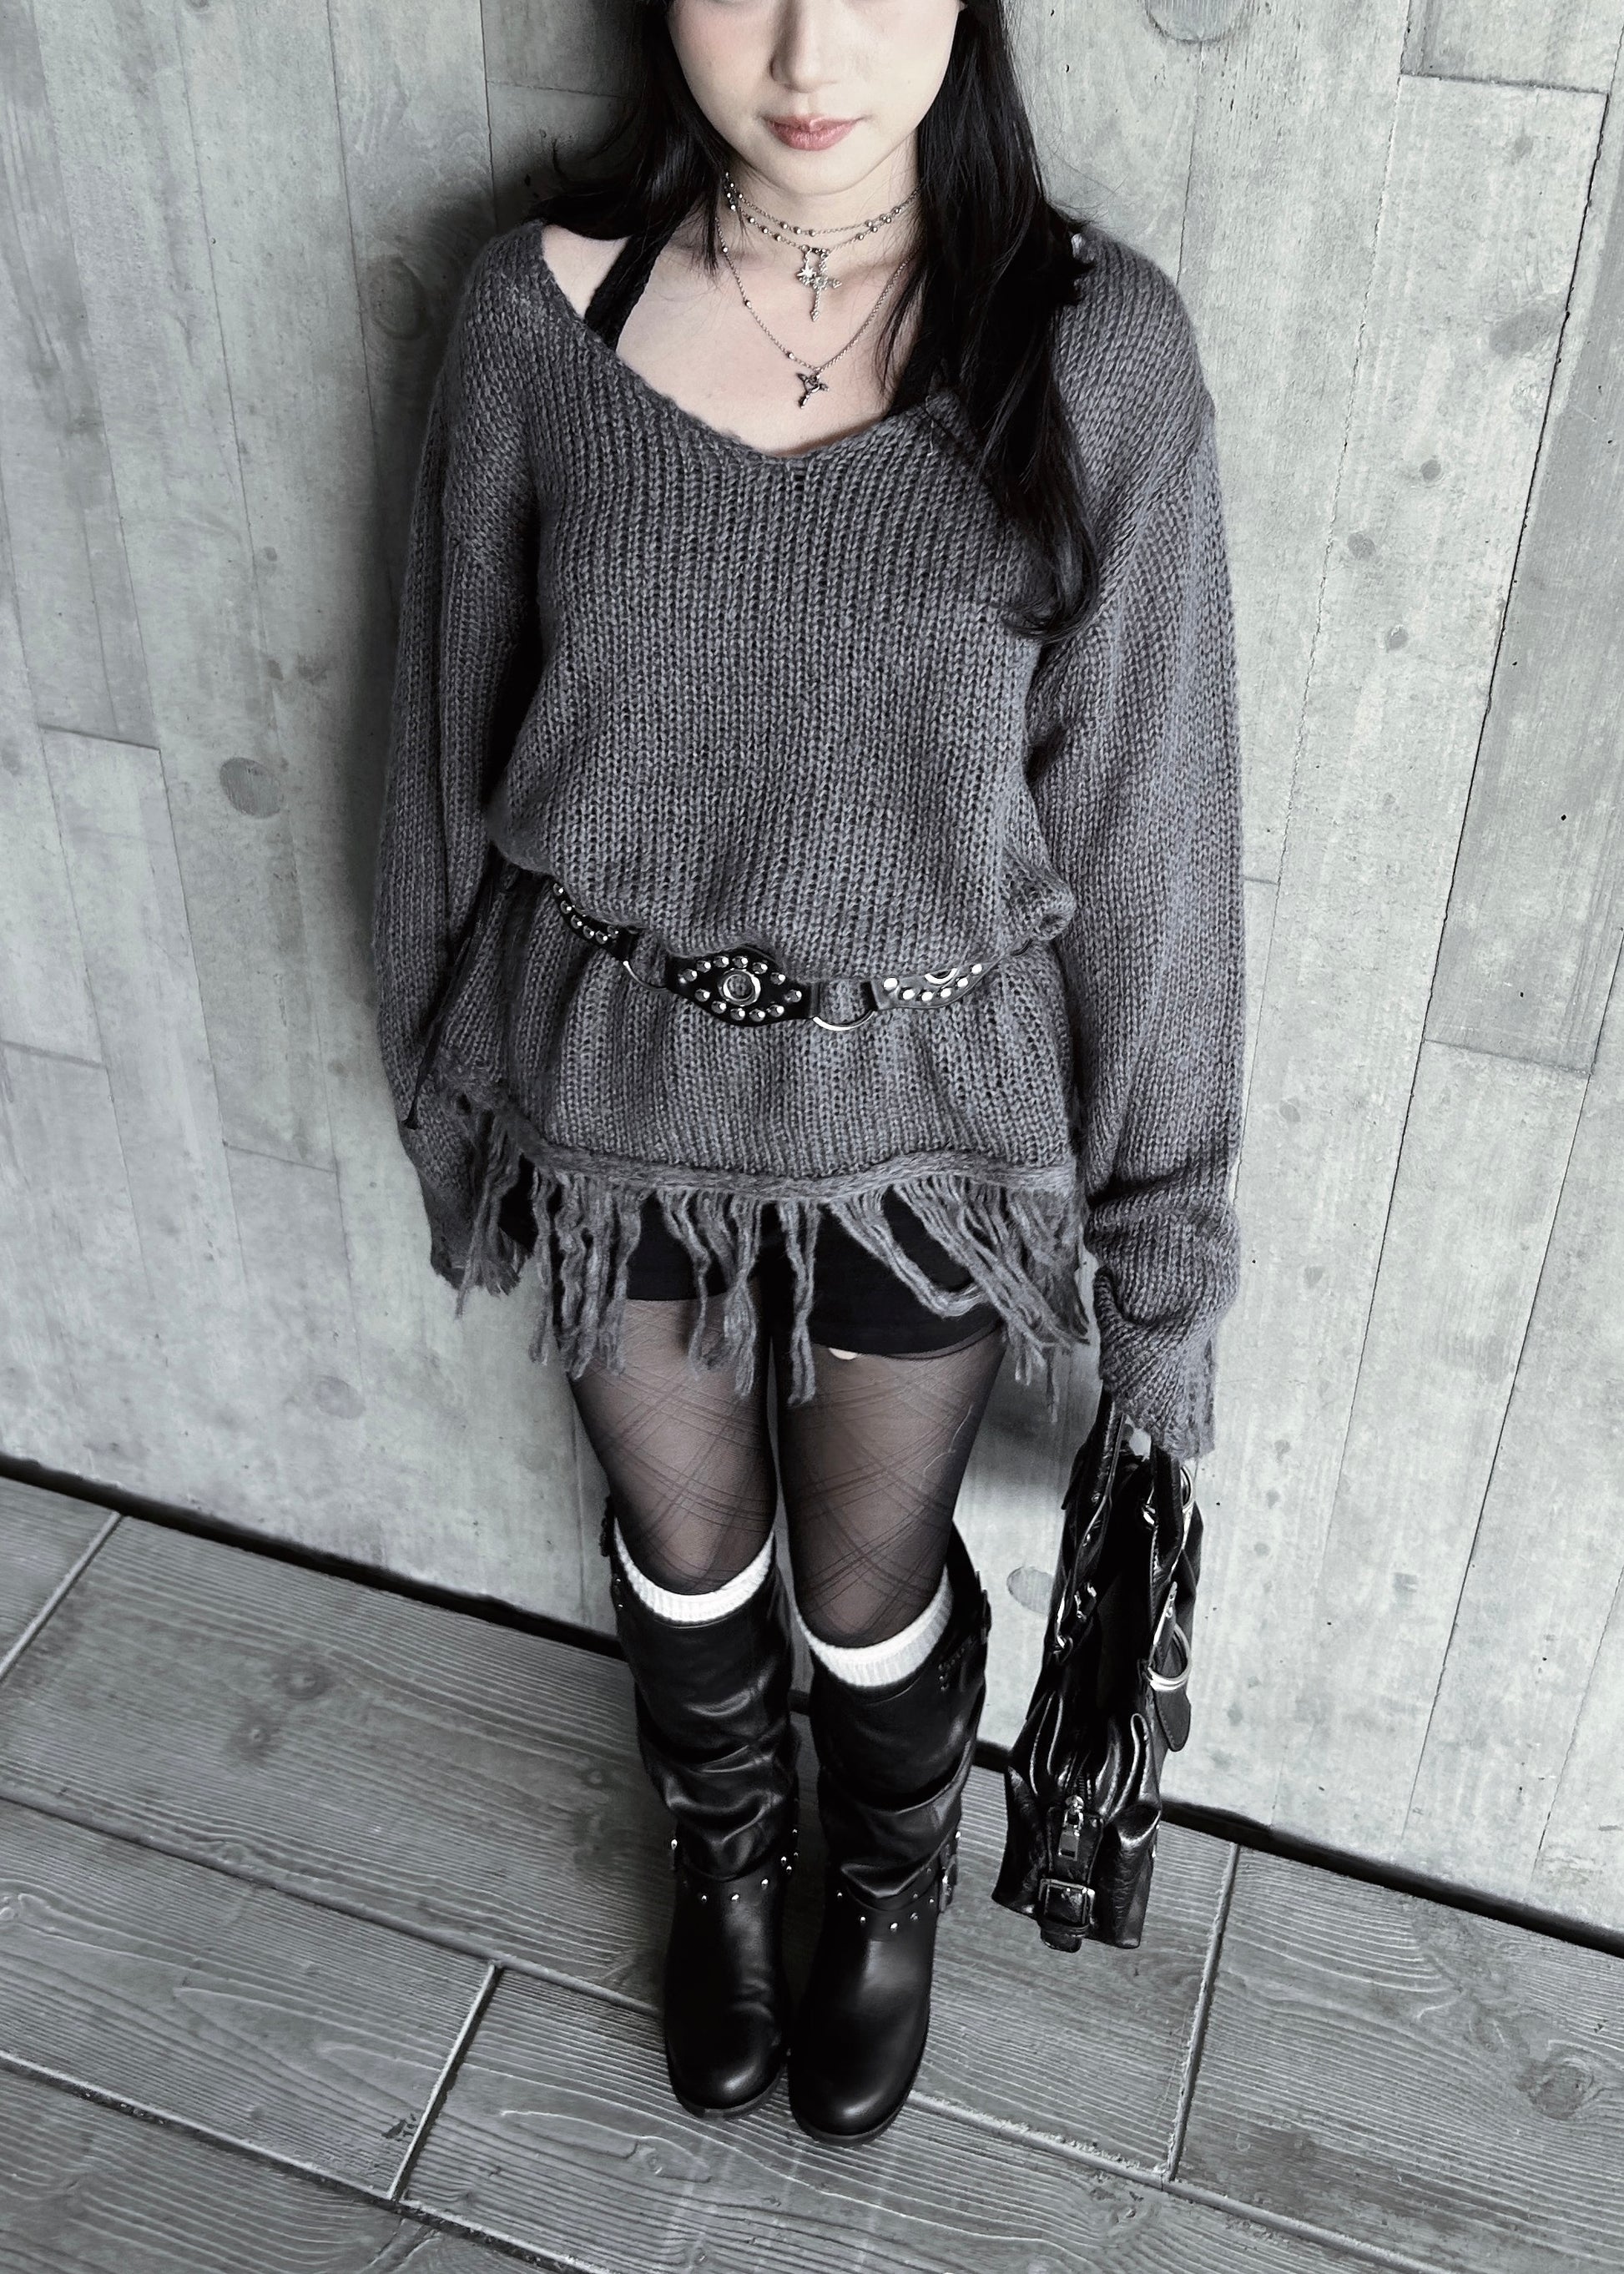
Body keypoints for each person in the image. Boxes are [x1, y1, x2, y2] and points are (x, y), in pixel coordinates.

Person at [372, 0, 1244, 2150]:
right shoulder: (538, 318)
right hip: (606, 1093)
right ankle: (729, 1850)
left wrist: (1163, 1305)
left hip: (929, 1125)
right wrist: (447, 1097)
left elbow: (1149, 847)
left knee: (866, 1588)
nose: (801, 45)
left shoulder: (1098, 350)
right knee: (687, 1556)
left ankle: (884, 1874)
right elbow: (437, 746)